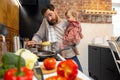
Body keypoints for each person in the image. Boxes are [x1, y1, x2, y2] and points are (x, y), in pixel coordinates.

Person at [26, 4, 83, 72]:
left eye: (50, 15)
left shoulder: (67, 23)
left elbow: (77, 39)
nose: (49, 19)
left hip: (70, 56)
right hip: (55, 58)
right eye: (46, 17)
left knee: (80, 74)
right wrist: (34, 41)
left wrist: (73, 41)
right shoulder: (46, 23)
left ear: (55, 11)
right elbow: (38, 35)